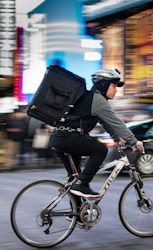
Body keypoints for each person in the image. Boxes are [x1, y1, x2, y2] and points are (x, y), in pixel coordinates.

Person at [49, 69, 144, 199]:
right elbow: (116, 122)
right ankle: (83, 184)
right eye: (114, 85)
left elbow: (105, 122)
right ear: (104, 85)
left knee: (75, 179)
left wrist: (117, 139)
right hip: (69, 138)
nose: (116, 90)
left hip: (60, 138)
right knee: (100, 150)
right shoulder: (97, 99)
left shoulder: (91, 98)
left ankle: (77, 215)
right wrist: (133, 141)